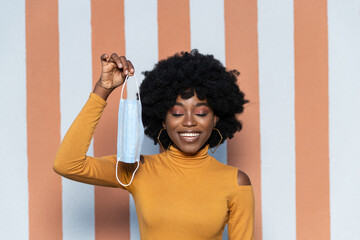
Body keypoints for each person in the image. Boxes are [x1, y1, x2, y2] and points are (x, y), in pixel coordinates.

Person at [54, 50, 254, 240]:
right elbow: (68, 164)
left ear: (216, 119)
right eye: (177, 113)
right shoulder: (137, 170)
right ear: (163, 120)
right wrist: (103, 89)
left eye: (201, 113)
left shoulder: (236, 182)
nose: (190, 121)